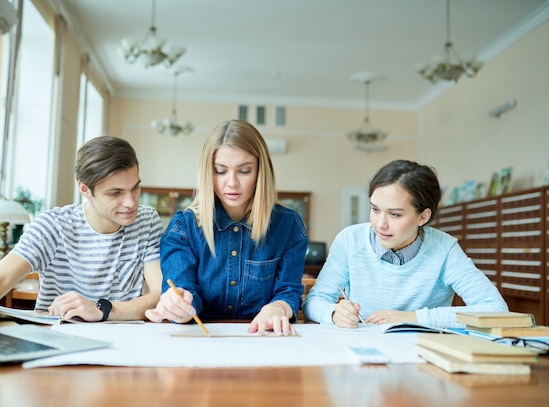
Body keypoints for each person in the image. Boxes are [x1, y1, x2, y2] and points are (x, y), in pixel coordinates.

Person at [0, 136, 164, 322]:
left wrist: (102, 310)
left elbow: (160, 294)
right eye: (115, 193)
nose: (131, 202)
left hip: (125, 344)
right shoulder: (52, 225)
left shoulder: (146, 221)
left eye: (135, 188)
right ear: (84, 189)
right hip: (58, 339)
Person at [145, 119, 307, 335]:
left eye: (244, 171)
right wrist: (180, 306)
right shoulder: (184, 227)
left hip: (262, 341)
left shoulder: (288, 225)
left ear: (261, 172)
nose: (231, 183)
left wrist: (278, 308)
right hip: (199, 343)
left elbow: (289, 290)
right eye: (220, 171)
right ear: (207, 173)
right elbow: (183, 287)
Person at [303, 159, 508, 329]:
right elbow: (314, 301)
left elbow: (496, 310)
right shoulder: (350, 240)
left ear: (423, 217)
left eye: (394, 214)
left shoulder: (444, 249)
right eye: (375, 209)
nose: (380, 224)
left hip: (420, 355)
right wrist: (333, 313)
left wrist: (411, 318)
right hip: (361, 352)